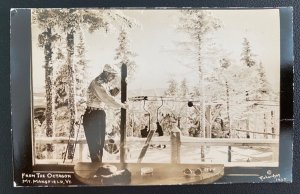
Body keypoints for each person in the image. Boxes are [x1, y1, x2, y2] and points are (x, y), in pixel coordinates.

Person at [83, 64, 127, 163]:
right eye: (112, 75)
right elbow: (107, 98)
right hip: (92, 115)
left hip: (98, 114)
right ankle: (96, 170)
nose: (113, 78)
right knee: (95, 146)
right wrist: (122, 105)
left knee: (99, 145)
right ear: (106, 73)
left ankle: (98, 168)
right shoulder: (97, 83)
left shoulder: (104, 82)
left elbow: (109, 94)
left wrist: (120, 86)